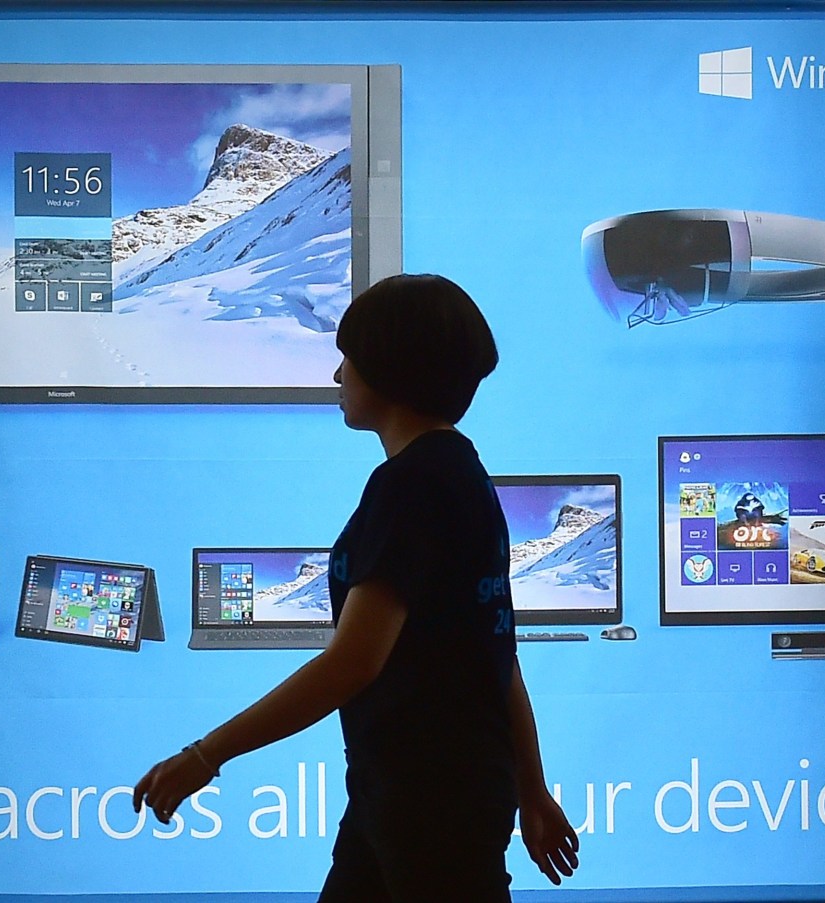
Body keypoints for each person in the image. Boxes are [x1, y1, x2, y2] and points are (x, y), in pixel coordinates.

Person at [133, 273, 579, 901]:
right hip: (407, 796)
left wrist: (207, 755)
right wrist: (530, 790)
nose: (339, 375)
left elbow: (352, 662)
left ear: (391, 372)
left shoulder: (413, 487)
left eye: (350, 359)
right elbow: (496, 655)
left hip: (429, 804)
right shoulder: (459, 473)